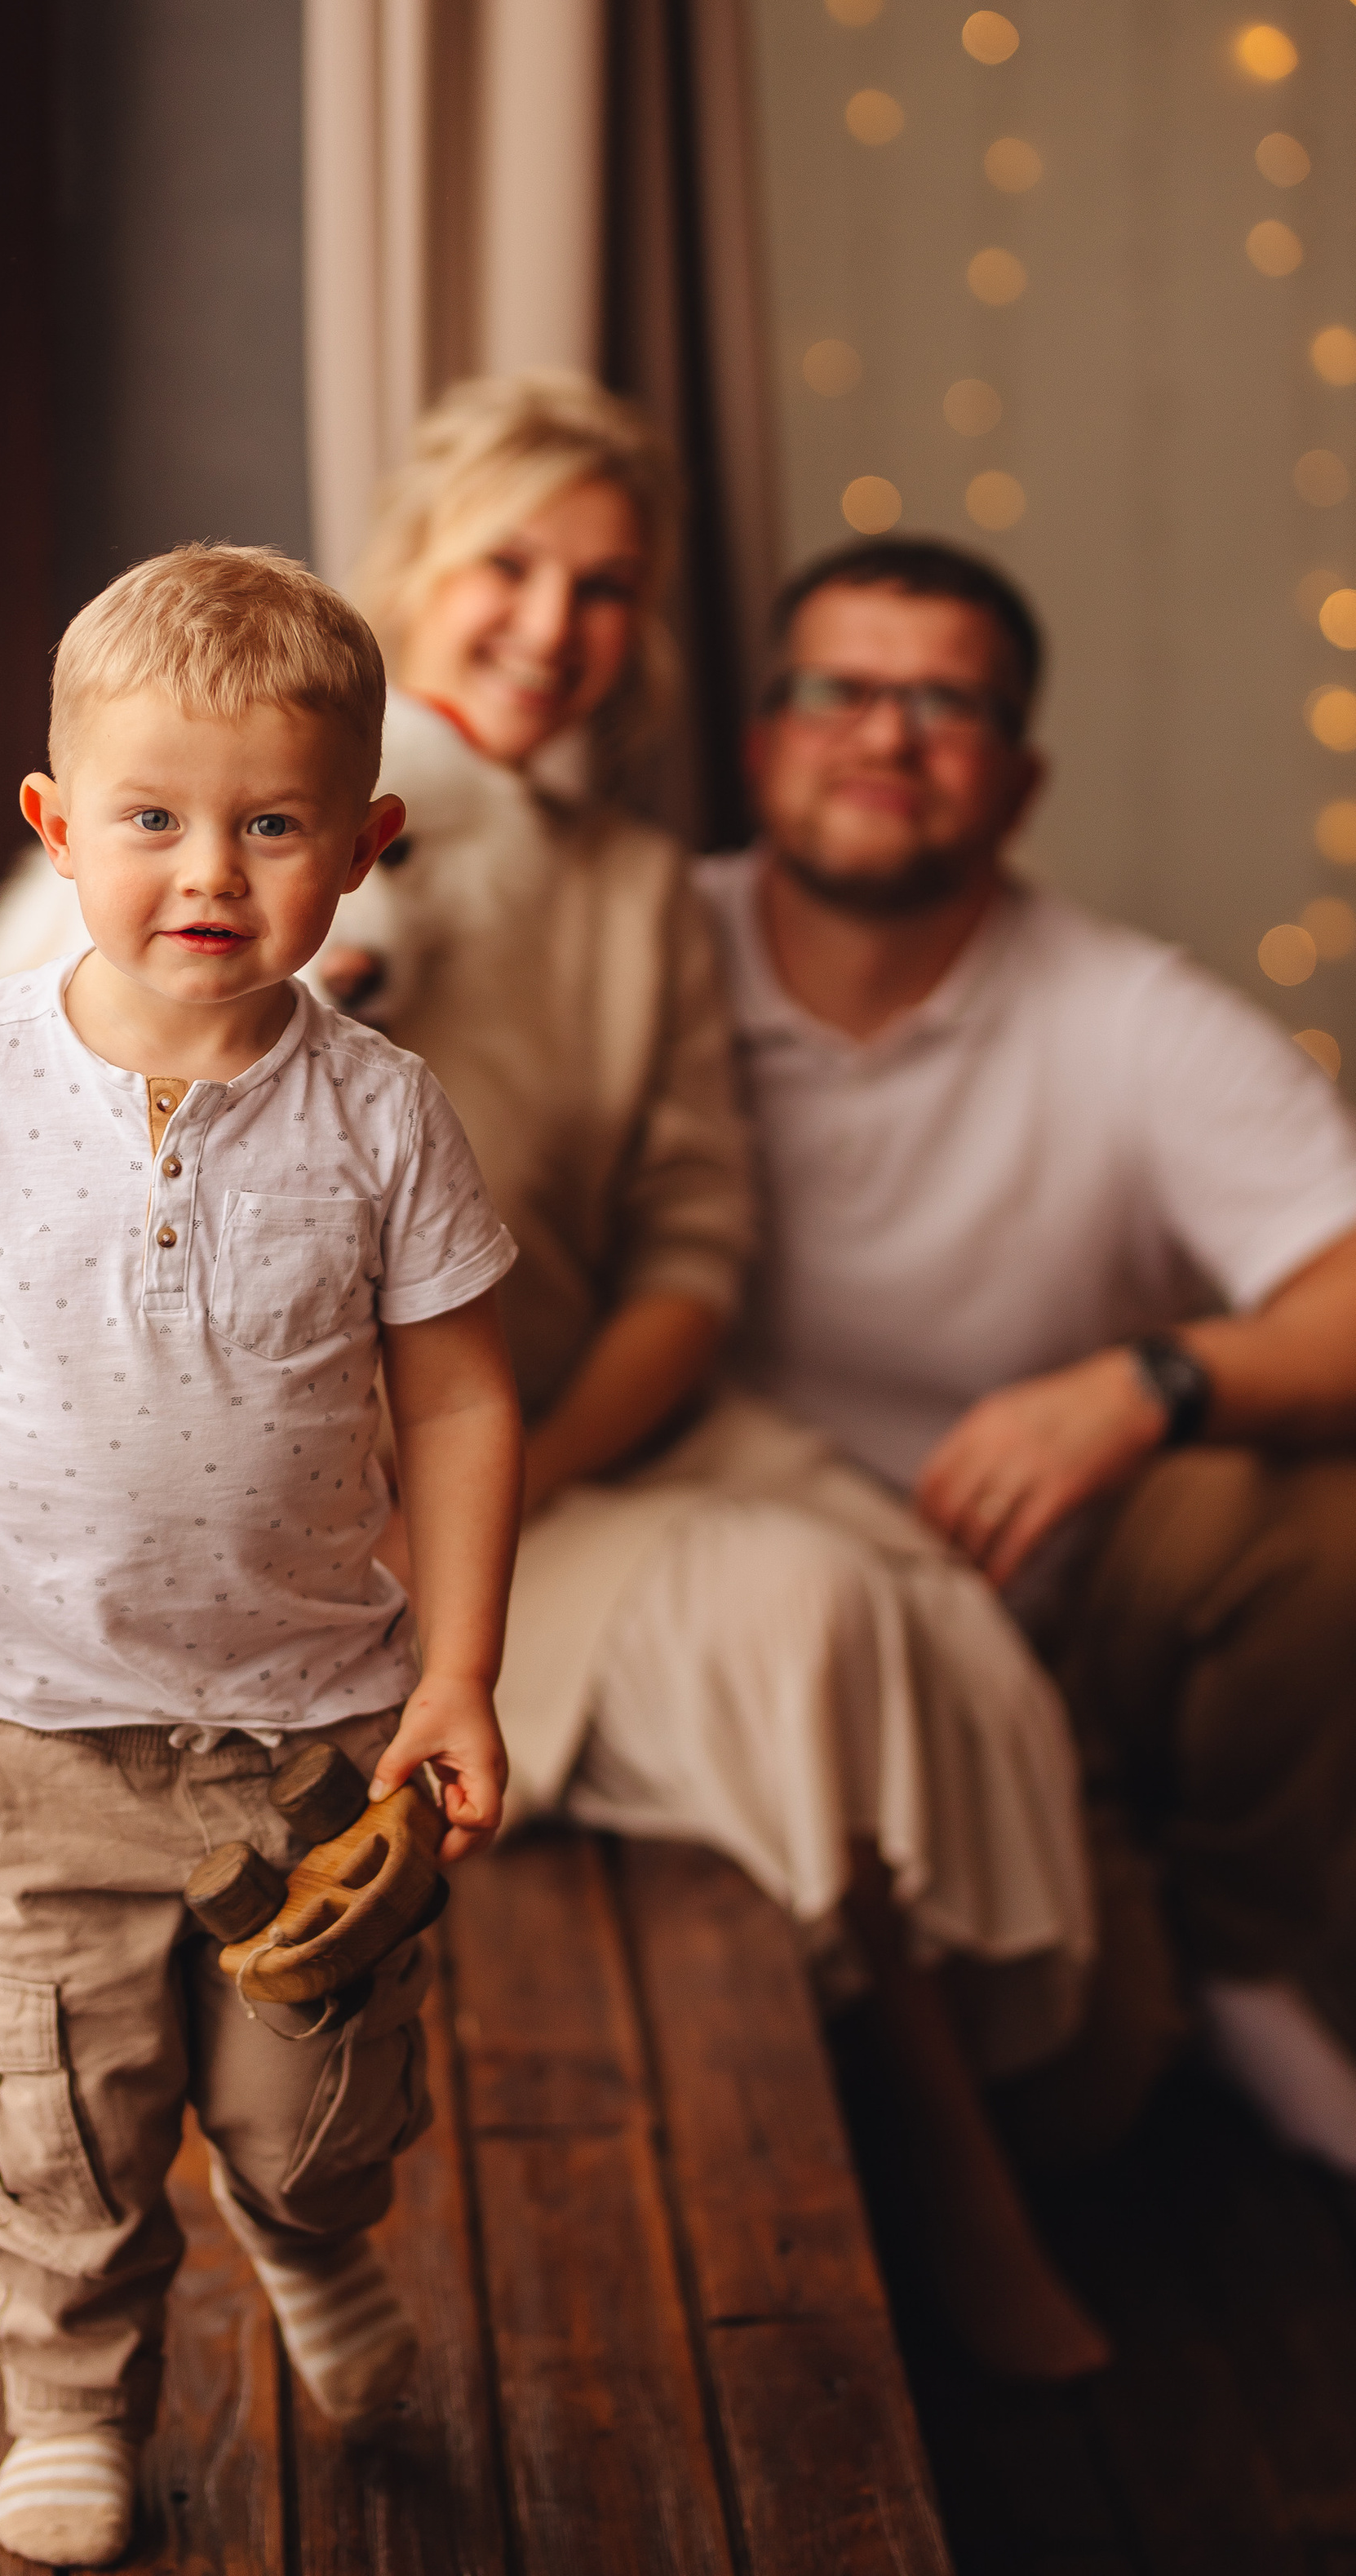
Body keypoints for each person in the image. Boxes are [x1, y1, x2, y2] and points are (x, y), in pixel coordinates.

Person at [344, 370, 1110, 2380]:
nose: (550, 623)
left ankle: (1048, 2098)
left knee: (931, 1610)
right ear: (410, 569)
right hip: (356, 1515)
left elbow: (694, 1236)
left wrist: (558, 1457)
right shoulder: (316, 834)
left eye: (603, 586)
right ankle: (957, 2191)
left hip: (570, 1444)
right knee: (799, 1615)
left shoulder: (630, 890)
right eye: (505, 563)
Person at [0, 544, 524, 2569]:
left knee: (314, 2089)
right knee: (62, 2116)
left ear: (362, 845)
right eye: (153, 820)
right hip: (33, 1730)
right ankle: (74, 2400)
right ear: (53, 826)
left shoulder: (382, 1116)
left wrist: (452, 1669)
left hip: (311, 1723)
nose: (209, 870)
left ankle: (312, 2244)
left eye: (272, 825)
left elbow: (457, 1400)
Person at [698, 531, 1356, 2175]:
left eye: (946, 706)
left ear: (1019, 776)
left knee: (1084, 2100)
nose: (885, 735)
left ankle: (1230, 1949)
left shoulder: (1125, 1016)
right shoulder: (646, 956)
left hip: (1038, 1633)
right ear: (761, 741)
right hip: (759, 1638)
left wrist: (1143, 1384)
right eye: (837, 690)